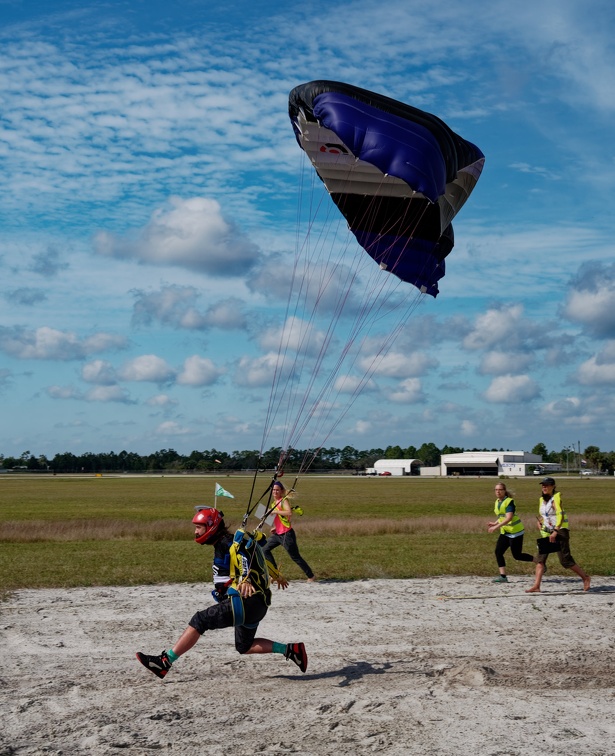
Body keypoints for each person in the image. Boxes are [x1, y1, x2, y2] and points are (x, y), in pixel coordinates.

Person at [136, 507, 308, 679]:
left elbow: (243, 557)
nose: (195, 531)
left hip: (245, 602)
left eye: (199, 527)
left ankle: (164, 662)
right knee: (244, 646)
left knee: (200, 620)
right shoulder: (226, 542)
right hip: (256, 605)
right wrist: (275, 575)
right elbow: (254, 553)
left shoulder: (227, 543)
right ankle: (291, 650)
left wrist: (245, 579)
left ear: (211, 527)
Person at [525, 477, 591, 593]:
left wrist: (556, 531)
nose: (544, 487)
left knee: (565, 560)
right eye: (543, 485)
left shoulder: (556, 498)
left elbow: (559, 515)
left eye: (547, 485)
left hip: (560, 531)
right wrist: (540, 521)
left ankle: (585, 578)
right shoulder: (541, 499)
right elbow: (544, 514)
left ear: (553, 486)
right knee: (540, 559)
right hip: (547, 531)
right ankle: (536, 586)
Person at [262, 480, 315, 582]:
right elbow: (280, 518)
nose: (275, 492)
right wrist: (275, 527)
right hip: (278, 534)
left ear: (281, 491)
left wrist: (275, 511)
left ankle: (311, 576)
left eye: (277, 490)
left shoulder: (283, 501)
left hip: (287, 535)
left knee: (295, 557)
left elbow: (288, 513)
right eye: (273, 490)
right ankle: (274, 574)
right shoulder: (274, 503)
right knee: (264, 549)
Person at [487, 482, 534, 582]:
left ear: (504, 491)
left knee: (517, 556)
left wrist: (496, 528)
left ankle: (538, 561)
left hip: (515, 532)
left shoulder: (509, 502)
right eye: (496, 490)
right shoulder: (497, 502)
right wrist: (495, 523)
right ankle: (503, 577)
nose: (498, 491)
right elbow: (501, 516)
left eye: (500, 489)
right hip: (505, 532)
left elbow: (509, 518)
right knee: (498, 552)